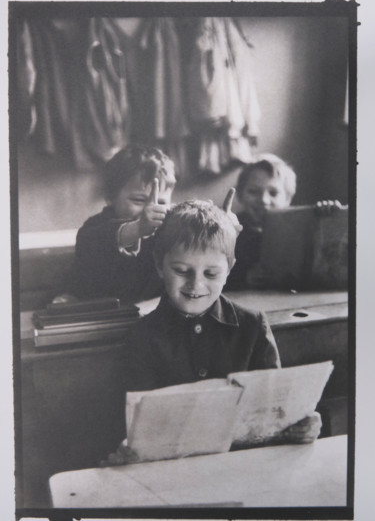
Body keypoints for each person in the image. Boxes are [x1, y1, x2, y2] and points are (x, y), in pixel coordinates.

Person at [102, 197, 321, 466]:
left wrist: (299, 427)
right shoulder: (142, 337)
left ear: (229, 270)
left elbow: (275, 411)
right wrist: (126, 451)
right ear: (159, 265)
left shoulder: (252, 326)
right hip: (169, 475)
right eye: (182, 270)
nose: (196, 285)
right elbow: (130, 427)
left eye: (211, 274)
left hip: (243, 468)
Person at [65, 144, 176, 304]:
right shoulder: (95, 228)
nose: (149, 209)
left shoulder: (170, 228)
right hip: (99, 314)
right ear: (111, 197)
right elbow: (96, 241)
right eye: (139, 200)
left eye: (161, 202)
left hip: (149, 316)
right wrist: (138, 228)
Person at [226, 153, 343, 290]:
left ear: (288, 199)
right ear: (240, 195)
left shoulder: (299, 225)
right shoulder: (228, 229)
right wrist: (244, 277)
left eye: (273, 193)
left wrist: (329, 216)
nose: (264, 200)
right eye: (253, 191)